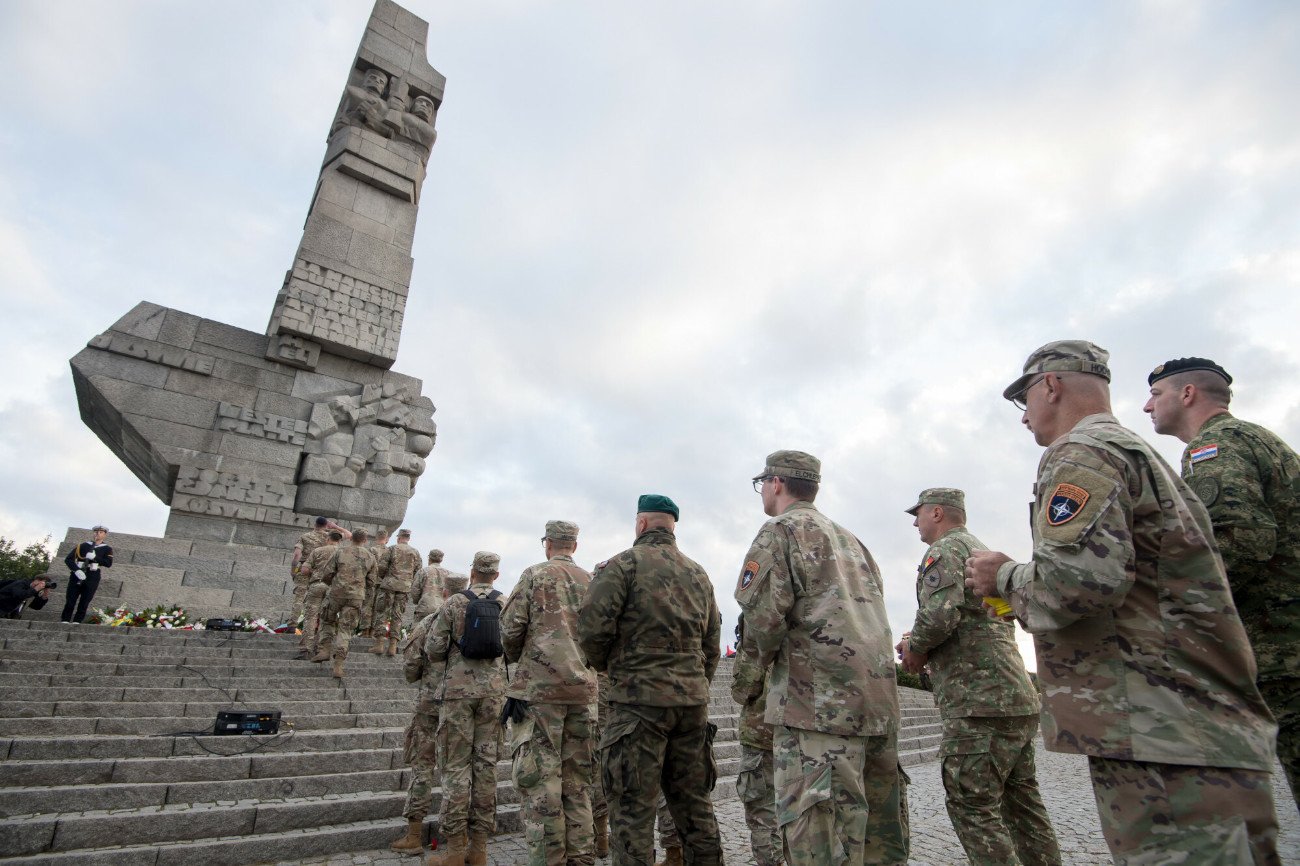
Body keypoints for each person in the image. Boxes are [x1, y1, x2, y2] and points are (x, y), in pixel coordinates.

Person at [964, 340, 1281, 864]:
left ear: (1051, 385)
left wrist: (1004, 576)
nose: (1025, 417)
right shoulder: (1143, 454)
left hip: (1158, 730)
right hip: (1197, 722)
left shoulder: (1081, 452)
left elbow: (1078, 583)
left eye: (1025, 400)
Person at [735, 451, 907, 866]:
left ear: (776, 483)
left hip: (817, 711)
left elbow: (762, 623)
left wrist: (744, 686)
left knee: (819, 839)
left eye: (763, 484)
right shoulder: (852, 540)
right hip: (877, 706)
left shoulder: (780, 532)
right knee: (878, 841)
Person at [1144, 356, 1300, 808]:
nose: (1147, 407)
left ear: (1187, 394)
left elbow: (1238, 543)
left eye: (1156, 395)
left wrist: (1173, 617)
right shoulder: (1258, 439)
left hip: (1281, 648)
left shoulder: (1215, 447)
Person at [895, 488, 1060, 866]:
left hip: (978, 701)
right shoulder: (980, 549)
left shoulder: (945, 551)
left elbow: (939, 616)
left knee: (973, 806)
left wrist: (916, 649)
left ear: (937, 513)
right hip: (1013, 694)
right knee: (1023, 806)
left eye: (917, 514)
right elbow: (971, 618)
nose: (914, 522)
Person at [578, 494, 722, 866]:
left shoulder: (623, 566)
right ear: (672, 525)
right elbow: (712, 642)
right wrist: (693, 684)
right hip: (691, 707)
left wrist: (612, 669)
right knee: (695, 807)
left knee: (631, 812)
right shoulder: (698, 573)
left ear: (641, 524)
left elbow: (593, 630)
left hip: (637, 707)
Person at [501, 520, 598, 866]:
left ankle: (550, 859)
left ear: (548, 543)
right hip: (583, 693)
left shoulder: (534, 575)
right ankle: (582, 857)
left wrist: (519, 656)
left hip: (540, 691)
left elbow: (510, 628)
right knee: (578, 782)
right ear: (575, 544)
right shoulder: (592, 581)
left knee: (541, 781)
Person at [424, 552, 508, 866]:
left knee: (456, 769)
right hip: (494, 694)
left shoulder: (454, 603)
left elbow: (433, 649)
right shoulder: (505, 603)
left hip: (458, 693)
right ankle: (480, 849)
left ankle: (456, 850)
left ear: (472, 572)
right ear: (496, 576)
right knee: (486, 768)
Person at [389, 571, 470, 854]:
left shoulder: (428, 621)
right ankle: (458, 841)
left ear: (445, 592)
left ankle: (413, 835)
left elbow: (411, 665)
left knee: (422, 766)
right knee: (457, 770)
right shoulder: (475, 621)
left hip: (429, 704)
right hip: (461, 704)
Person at [730, 613, 780, 866]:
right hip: (807, 733)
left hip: (763, 733)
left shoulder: (759, 614)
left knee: (762, 812)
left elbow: (744, 688)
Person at [311, 529, 376, 679]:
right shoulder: (370, 557)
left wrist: (333, 583)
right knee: (345, 630)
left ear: (351, 538)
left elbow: (327, 573)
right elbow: (372, 581)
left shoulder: (340, 552)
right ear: (365, 540)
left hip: (336, 594)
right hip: (355, 597)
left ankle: (324, 650)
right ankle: (338, 664)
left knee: (328, 620)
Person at [370, 528, 421, 656]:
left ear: (399, 537)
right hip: (404, 588)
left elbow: (382, 567)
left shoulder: (391, 549)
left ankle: (380, 644)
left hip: (389, 585)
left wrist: (382, 577)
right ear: (408, 538)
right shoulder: (415, 552)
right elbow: (417, 571)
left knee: (382, 613)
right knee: (398, 615)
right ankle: (393, 645)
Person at [290, 517, 349, 624]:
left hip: (304, 569)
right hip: (322, 573)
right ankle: (316, 626)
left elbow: (297, 555)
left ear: (315, 524)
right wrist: (335, 526)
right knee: (319, 601)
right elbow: (349, 535)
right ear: (326, 525)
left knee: (299, 598)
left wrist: (293, 570)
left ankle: (292, 624)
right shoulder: (330, 537)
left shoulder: (305, 537)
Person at [297, 531, 343, 658]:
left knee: (310, 617)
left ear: (328, 539)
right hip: (333, 589)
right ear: (339, 541)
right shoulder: (343, 553)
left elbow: (304, 570)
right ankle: (322, 649)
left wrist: (316, 572)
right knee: (327, 619)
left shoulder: (317, 551)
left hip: (316, 585)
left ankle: (306, 648)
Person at [62, 525, 112, 623]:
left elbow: (108, 563)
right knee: (70, 599)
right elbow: (68, 559)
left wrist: (95, 558)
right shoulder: (82, 545)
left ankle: (77, 620)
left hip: (92, 575)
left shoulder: (107, 549)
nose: (97, 533)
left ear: (105, 534)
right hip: (78, 574)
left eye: (101, 532)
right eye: (96, 531)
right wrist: (76, 570)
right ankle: (65, 619)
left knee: (85, 601)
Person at [361, 529, 392, 637]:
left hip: (371, 581)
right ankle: (374, 631)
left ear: (376, 538)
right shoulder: (390, 551)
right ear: (387, 539)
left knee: (367, 606)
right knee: (380, 608)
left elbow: (366, 565)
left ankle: (365, 631)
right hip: (384, 583)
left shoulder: (371, 549)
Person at [411, 549, 452, 619]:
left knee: (419, 629)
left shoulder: (422, 571)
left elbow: (415, 591)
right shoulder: (449, 574)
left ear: (429, 558)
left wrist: (418, 601)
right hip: (442, 609)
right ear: (441, 560)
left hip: (424, 608)